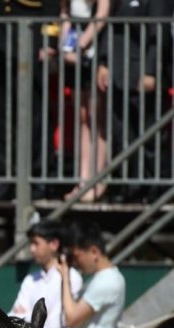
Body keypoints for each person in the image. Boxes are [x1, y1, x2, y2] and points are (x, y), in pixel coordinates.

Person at [0, 0, 61, 200]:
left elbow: (52, 6)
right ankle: (5, 179)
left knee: (36, 116)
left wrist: (49, 41)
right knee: (1, 117)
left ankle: (39, 179)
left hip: (30, 42)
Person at [97, 0, 172, 203]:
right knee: (122, 135)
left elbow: (160, 32)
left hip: (144, 76)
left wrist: (150, 71)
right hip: (119, 75)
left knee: (150, 137)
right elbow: (110, 27)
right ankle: (128, 187)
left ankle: (155, 189)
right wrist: (103, 62)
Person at [61, 0, 109, 202]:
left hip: (96, 50)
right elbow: (65, 14)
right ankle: (83, 180)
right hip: (75, 54)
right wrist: (65, 46)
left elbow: (102, 15)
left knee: (96, 116)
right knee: (82, 117)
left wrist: (83, 42)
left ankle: (99, 179)